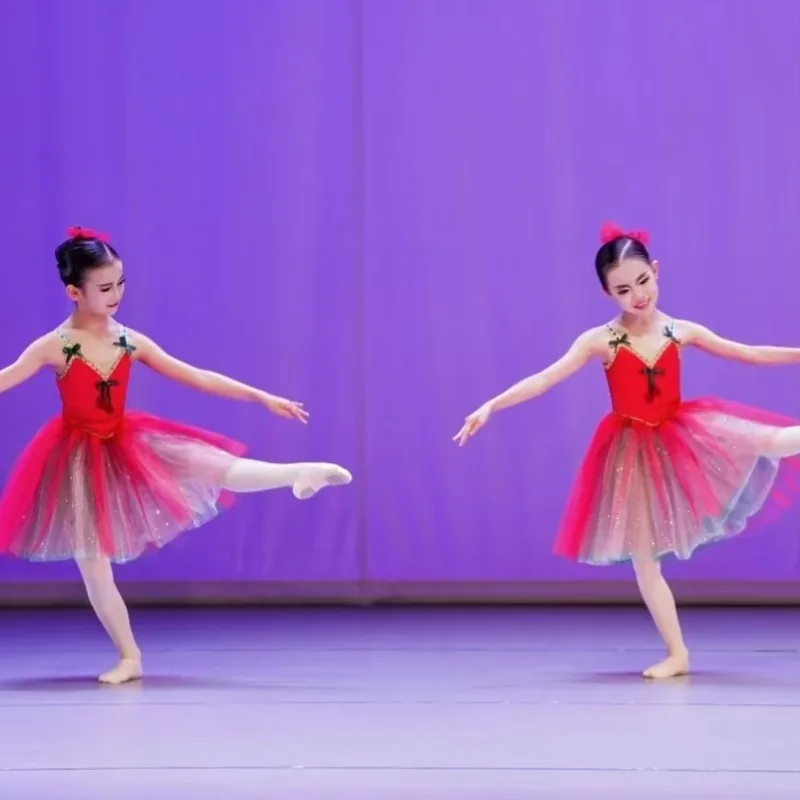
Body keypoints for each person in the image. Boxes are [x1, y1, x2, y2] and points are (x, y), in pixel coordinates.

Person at [0, 226, 352, 685]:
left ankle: (300, 472)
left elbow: (198, 377)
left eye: (121, 283)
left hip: (131, 442)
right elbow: (5, 378)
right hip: (78, 458)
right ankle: (130, 656)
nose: (116, 294)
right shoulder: (55, 345)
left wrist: (260, 396)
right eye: (105, 288)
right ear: (73, 291)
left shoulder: (130, 340)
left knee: (212, 465)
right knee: (95, 565)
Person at [453, 222, 800, 679]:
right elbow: (546, 377)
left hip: (685, 433)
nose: (637, 294)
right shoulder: (600, 340)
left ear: (656, 272)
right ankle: (678, 654)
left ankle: (677, 655)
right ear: (607, 294)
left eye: (642, 281)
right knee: (645, 560)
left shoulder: (681, 330)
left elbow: (749, 353)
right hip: (632, 453)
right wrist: (492, 404)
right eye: (622, 289)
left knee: (772, 441)